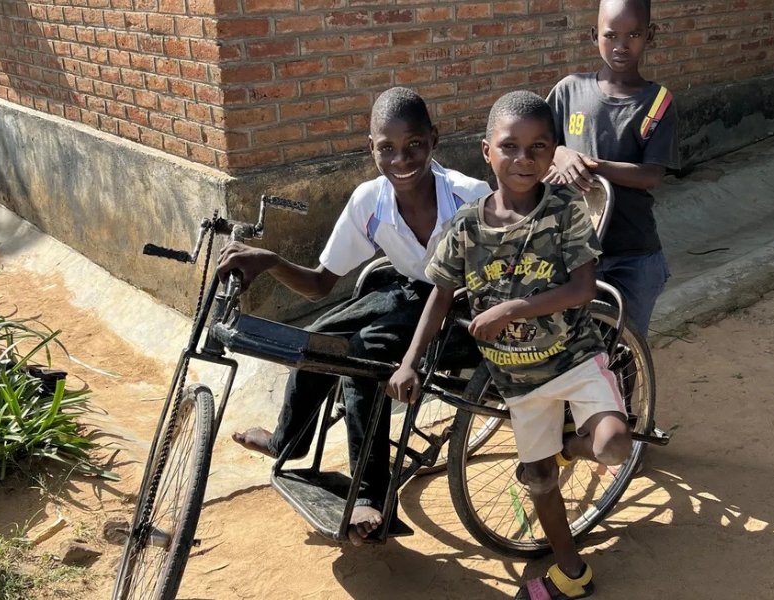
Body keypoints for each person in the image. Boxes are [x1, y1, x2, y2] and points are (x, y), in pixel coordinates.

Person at [218, 87, 491, 545]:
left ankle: (370, 494)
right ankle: (289, 440)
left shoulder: (469, 197)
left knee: (363, 362)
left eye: (413, 146)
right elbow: (322, 282)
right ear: (371, 148)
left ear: (434, 140)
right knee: (319, 337)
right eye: (387, 148)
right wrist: (270, 261)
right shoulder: (370, 200)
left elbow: (487, 282)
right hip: (407, 292)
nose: (401, 159)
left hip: (462, 308)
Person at [388, 91, 632, 600]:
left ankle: (571, 446)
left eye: (538, 148)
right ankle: (571, 570)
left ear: (551, 153)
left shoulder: (564, 210)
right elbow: (439, 298)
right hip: (517, 381)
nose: (524, 160)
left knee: (613, 445)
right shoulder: (465, 228)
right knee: (539, 480)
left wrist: (510, 310)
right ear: (486, 152)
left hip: (574, 358)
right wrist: (410, 362)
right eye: (510, 147)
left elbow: (583, 289)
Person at [545, 0, 680, 337]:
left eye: (633, 34)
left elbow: (652, 174)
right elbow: (538, 147)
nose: (622, 45)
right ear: (594, 35)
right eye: (611, 35)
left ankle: (628, 391)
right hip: (572, 250)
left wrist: (595, 166)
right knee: (571, 347)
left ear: (650, 35)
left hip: (633, 254)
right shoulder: (568, 91)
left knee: (625, 348)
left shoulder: (658, 102)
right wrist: (560, 154)